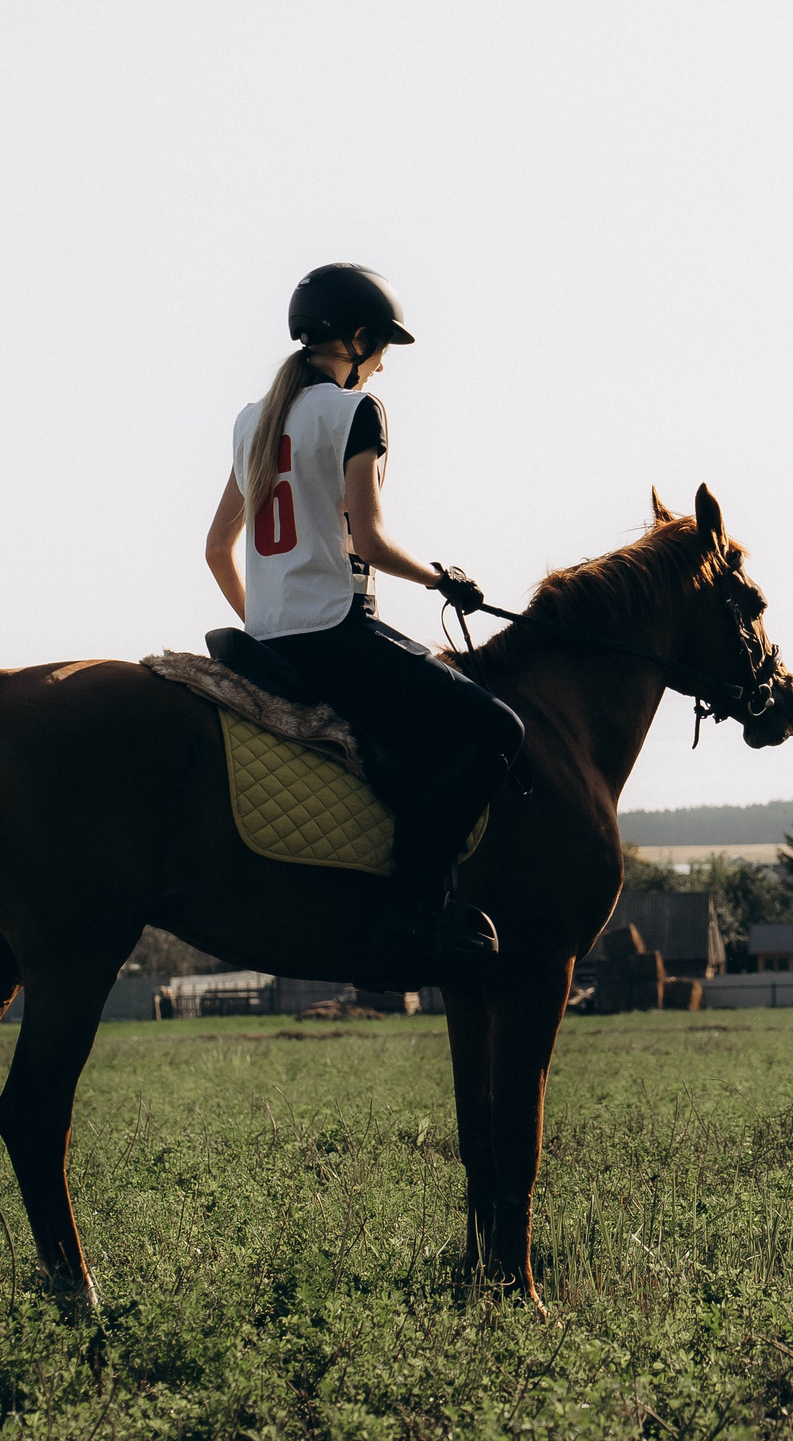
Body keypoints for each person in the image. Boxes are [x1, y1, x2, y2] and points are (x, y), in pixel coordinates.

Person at [203, 263, 523, 973]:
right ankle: (416, 917)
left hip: (271, 643)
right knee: (500, 729)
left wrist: (268, 623)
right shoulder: (356, 412)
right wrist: (444, 579)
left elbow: (217, 550)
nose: (381, 366)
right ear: (355, 340)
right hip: (338, 634)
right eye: (380, 350)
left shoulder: (251, 420)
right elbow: (371, 542)